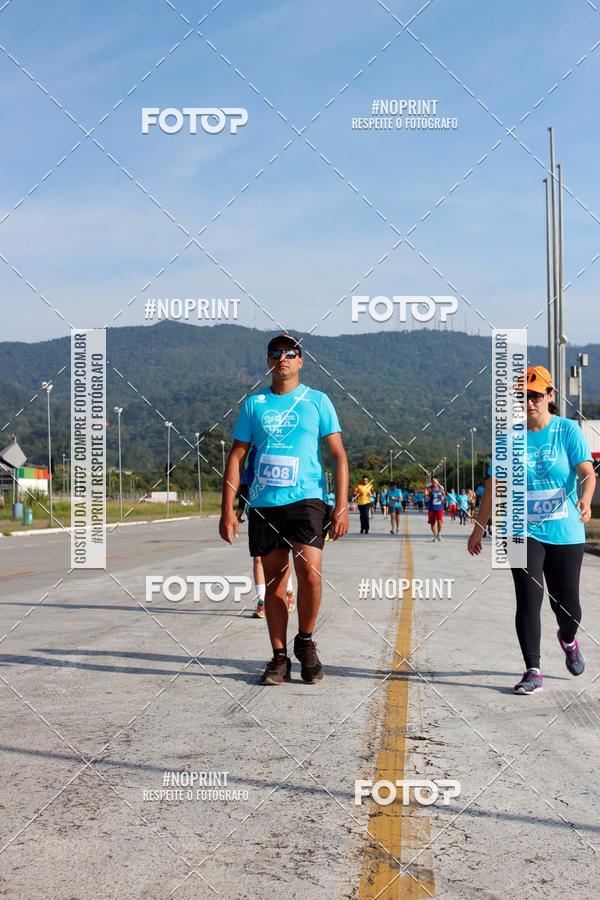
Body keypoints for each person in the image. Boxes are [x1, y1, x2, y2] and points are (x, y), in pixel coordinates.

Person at [220, 333, 349, 686]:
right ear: (268, 361)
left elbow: (338, 455)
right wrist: (227, 509)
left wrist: (341, 506)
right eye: (275, 353)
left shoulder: (317, 401)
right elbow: (237, 456)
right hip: (265, 504)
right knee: (275, 581)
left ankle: (305, 642)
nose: (282, 358)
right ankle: (279, 657)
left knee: (310, 574)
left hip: (307, 500)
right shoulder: (254, 405)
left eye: (290, 353)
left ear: (300, 360)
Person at [468, 365, 595, 695]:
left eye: (536, 395)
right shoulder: (508, 438)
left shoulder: (567, 431)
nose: (529, 402)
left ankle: (568, 639)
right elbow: (494, 486)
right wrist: (479, 528)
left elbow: (587, 471)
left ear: (550, 395)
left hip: (565, 532)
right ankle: (532, 670)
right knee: (528, 598)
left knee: (567, 608)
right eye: (522, 396)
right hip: (520, 530)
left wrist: (585, 499)